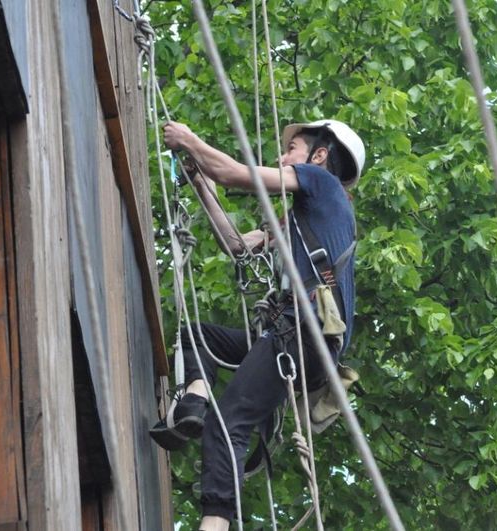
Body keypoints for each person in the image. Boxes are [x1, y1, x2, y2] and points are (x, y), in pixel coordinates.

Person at [151, 119, 365, 531]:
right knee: (196, 335)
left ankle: (216, 524)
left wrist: (190, 141)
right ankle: (194, 400)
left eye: (293, 149)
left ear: (319, 155)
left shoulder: (321, 183)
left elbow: (234, 172)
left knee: (228, 423)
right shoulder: (305, 219)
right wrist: (202, 186)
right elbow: (236, 243)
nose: (284, 158)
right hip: (301, 335)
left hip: (303, 329)